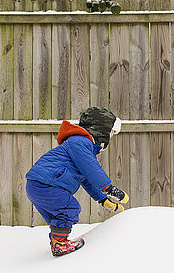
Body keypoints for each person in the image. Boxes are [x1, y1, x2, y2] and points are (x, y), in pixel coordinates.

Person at [25, 107, 129, 257]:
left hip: (38, 185)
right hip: (47, 184)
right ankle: (60, 244)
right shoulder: (80, 142)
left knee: (59, 217)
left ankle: (58, 242)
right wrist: (108, 188)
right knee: (70, 209)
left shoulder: (79, 145)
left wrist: (102, 199)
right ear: (101, 130)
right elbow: (91, 169)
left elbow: (86, 179)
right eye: (111, 132)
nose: (111, 137)